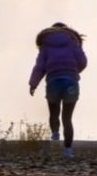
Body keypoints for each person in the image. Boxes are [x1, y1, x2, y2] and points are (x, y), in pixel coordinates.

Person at [29, 22, 87, 158]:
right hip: (71, 81)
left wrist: (33, 84)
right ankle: (67, 151)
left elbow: (40, 66)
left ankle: (55, 135)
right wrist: (73, 71)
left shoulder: (45, 45)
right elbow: (83, 61)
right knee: (67, 118)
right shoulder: (73, 42)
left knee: (54, 113)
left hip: (53, 81)